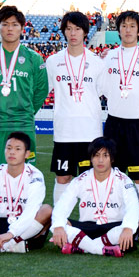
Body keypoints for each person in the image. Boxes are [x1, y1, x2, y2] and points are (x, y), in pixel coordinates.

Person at [0, 5, 49, 180]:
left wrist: (27, 111)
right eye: (5, 24)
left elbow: (41, 91)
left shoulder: (33, 58)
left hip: (23, 123)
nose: (10, 29)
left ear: (22, 29)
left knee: (24, 174)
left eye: (14, 25)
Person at [102, 11, 139, 227]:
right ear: (118, 30)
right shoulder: (108, 57)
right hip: (114, 124)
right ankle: (114, 221)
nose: (128, 30)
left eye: (132, 26)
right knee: (112, 176)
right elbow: (101, 87)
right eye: (124, 26)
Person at [45, 11, 106, 204]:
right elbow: (43, 90)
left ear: (85, 32)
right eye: (69, 29)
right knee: (63, 178)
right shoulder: (53, 62)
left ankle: (92, 219)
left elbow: (105, 92)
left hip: (90, 132)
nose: (73, 33)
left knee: (91, 180)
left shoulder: (97, 62)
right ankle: (59, 220)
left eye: (77, 29)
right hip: (64, 132)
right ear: (63, 31)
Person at [50, 137, 139, 257]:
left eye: (105, 155)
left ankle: (82, 248)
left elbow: (133, 206)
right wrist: (58, 226)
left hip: (112, 227)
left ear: (112, 158)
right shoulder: (81, 179)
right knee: (61, 224)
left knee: (131, 227)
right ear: (91, 158)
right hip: (86, 228)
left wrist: (128, 228)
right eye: (96, 155)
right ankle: (103, 249)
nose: (100, 160)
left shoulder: (123, 180)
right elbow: (63, 204)